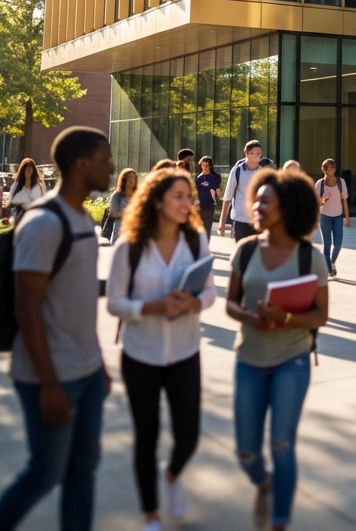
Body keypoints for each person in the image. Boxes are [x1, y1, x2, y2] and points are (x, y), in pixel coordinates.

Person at [0, 127, 114, 531]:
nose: (111, 166)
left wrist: (99, 363)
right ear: (81, 164)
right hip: (48, 375)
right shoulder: (43, 223)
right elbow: (27, 309)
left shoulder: (82, 218)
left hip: (87, 371)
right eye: (104, 159)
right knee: (46, 472)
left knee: (83, 469)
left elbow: (78, 301)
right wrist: (49, 384)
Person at [107, 166, 216, 531]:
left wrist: (193, 302)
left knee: (188, 435)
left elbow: (210, 293)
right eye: (178, 197)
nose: (188, 203)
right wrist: (152, 307)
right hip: (141, 355)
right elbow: (115, 303)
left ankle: (171, 475)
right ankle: (151, 513)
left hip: (185, 352)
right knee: (147, 437)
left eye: (189, 197)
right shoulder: (129, 248)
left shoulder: (196, 242)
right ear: (156, 201)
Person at [226, 166, 329, 531]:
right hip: (249, 360)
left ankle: (279, 521)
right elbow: (231, 304)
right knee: (246, 451)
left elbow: (320, 315)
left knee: (282, 446)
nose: (255, 206)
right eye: (255, 200)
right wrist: (250, 316)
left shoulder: (310, 257)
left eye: (265, 202)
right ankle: (263, 482)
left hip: (292, 361)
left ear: (287, 207)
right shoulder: (245, 250)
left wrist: (284, 317)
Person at [218, 140, 264, 242]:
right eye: (252, 153)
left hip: (259, 219)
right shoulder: (237, 171)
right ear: (246, 153)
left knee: (259, 250)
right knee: (241, 249)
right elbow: (227, 197)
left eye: (258, 153)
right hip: (240, 219)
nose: (256, 156)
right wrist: (222, 221)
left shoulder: (263, 170)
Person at [315, 159, 349, 279]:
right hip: (324, 216)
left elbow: (344, 200)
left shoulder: (341, 182)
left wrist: (347, 217)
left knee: (338, 244)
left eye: (332, 168)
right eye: (327, 168)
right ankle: (328, 269)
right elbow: (316, 203)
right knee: (327, 245)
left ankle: (332, 262)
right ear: (323, 170)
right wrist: (322, 200)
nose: (330, 170)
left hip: (338, 216)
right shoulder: (320, 184)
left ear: (335, 169)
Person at [10, 158, 46, 224]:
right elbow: (12, 201)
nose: (28, 170)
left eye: (30, 167)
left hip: (36, 220)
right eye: (26, 167)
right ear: (23, 170)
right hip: (19, 220)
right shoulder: (16, 185)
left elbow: (43, 202)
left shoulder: (40, 186)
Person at [108, 167, 138, 245]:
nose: (131, 180)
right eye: (129, 177)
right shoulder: (117, 195)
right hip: (120, 229)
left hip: (135, 229)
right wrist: (128, 213)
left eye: (133, 178)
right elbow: (113, 213)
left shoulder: (139, 194)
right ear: (124, 179)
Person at [194, 156, 221, 231]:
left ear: (210, 166)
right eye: (203, 165)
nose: (205, 167)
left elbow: (216, 191)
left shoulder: (213, 178)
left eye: (207, 165)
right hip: (199, 205)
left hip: (210, 206)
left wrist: (217, 200)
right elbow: (196, 191)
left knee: (207, 227)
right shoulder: (198, 178)